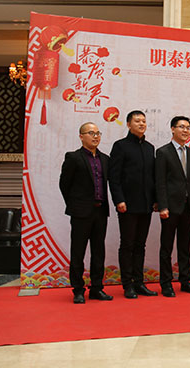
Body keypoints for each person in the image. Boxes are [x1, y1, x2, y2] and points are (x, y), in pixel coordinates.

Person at [59, 122, 113, 304]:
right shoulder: (74, 157)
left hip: (100, 211)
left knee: (99, 252)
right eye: (91, 133)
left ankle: (97, 288)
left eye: (98, 133)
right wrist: (75, 205)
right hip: (81, 213)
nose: (95, 136)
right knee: (78, 252)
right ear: (81, 136)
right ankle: (78, 289)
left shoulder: (105, 159)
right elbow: (64, 184)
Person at [109, 110, 158, 299]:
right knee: (127, 245)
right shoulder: (120, 146)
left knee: (140, 245)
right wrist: (119, 200)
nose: (141, 124)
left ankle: (139, 283)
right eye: (137, 121)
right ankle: (127, 284)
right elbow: (114, 177)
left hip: (146, 205)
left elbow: (152, 177)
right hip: (127, 205)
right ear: (128, 124)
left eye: (144, 121)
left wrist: (155, 200)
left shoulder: (149, 148)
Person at [155, 116, 190, 297]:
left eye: (188, 127)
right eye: (181, 127)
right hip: (170, 207)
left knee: (185, 247)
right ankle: (166, 283)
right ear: (173, 129)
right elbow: (160, 181)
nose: (185, 130)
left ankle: (185, 280)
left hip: (188, 207)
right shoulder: (163, 152)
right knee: (166, 247)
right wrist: (163, 206)